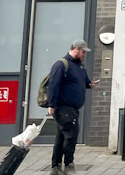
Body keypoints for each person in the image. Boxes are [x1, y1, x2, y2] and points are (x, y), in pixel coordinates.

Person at [47, 40, 98, 175]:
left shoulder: (79, 67)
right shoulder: (61, 65)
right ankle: (68, 164)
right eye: (83, 52)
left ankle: (56, 166)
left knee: (61, 137)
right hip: (64, 107)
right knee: (71, 135)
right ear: (76, 49)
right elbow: (53, 85)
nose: (84, 55)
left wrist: (90, 84)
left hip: (73, 109)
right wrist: (52, 105)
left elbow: (83, 81)